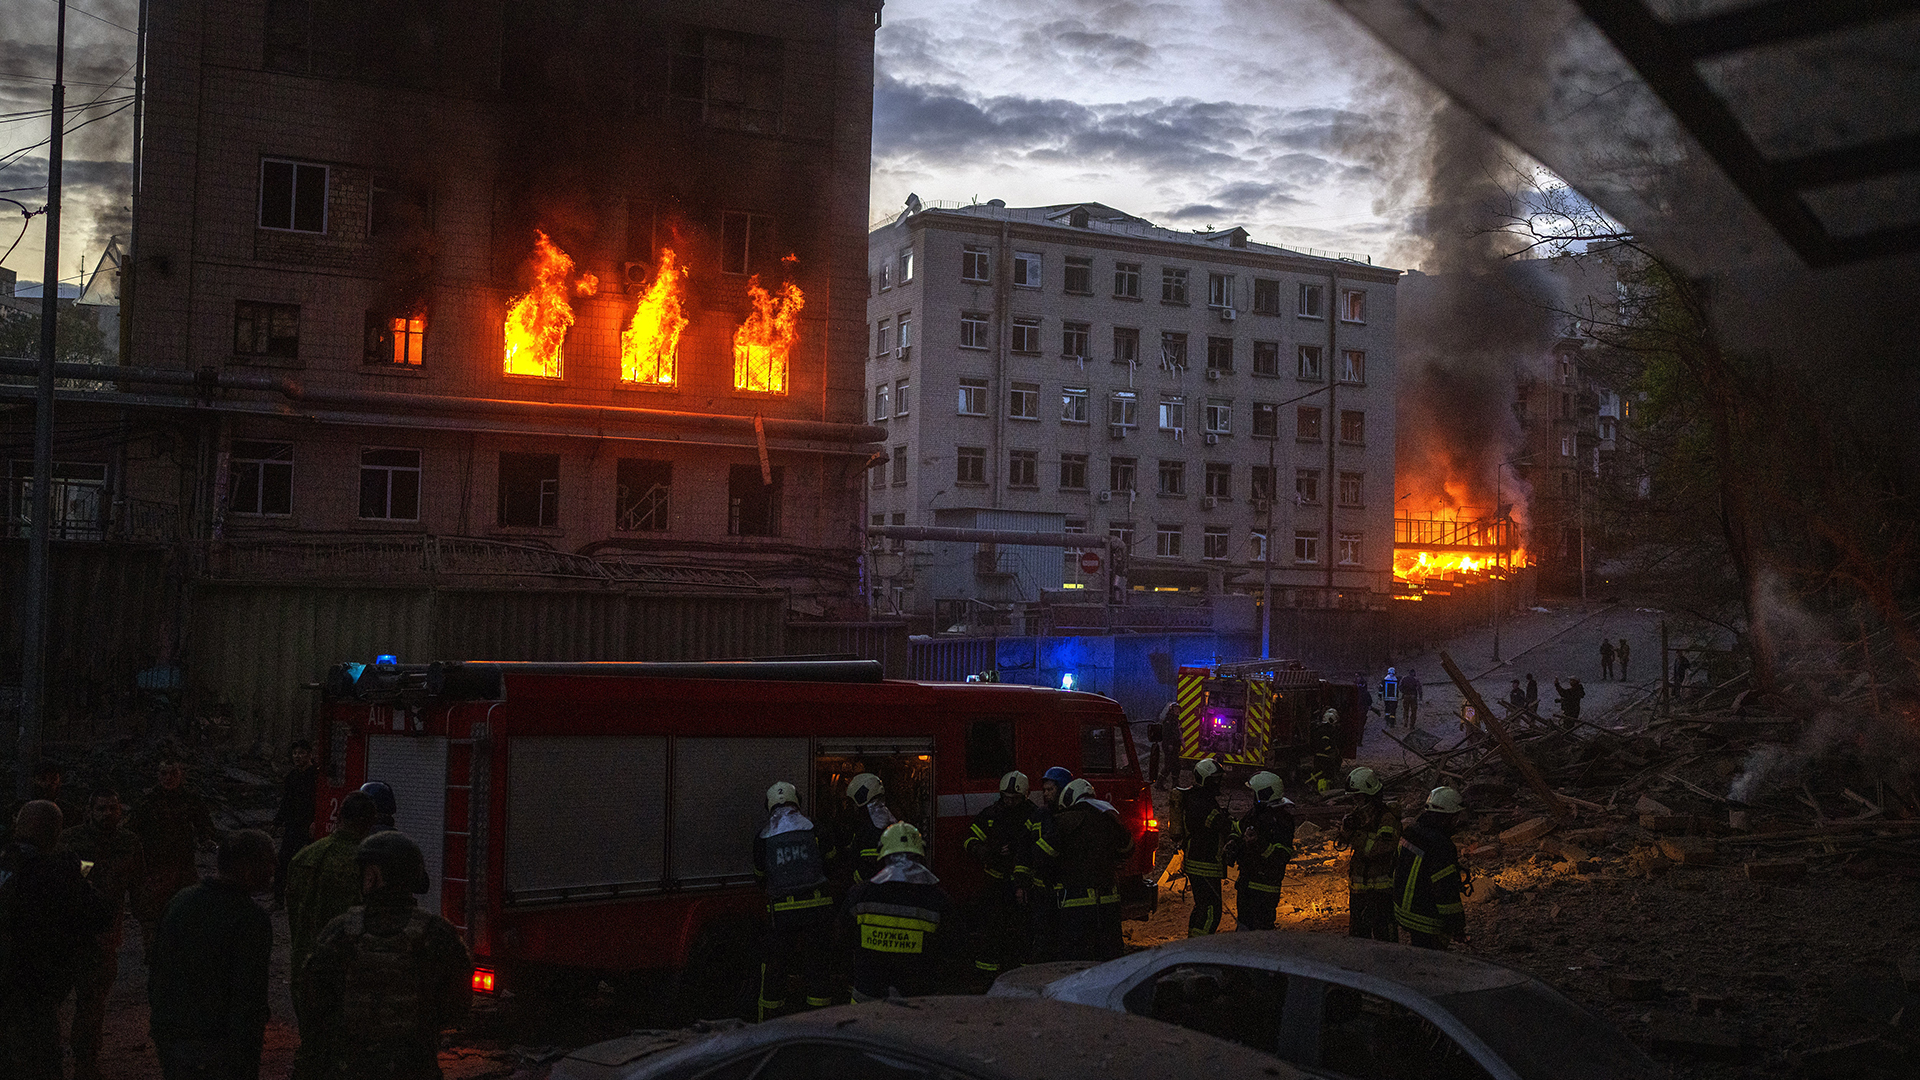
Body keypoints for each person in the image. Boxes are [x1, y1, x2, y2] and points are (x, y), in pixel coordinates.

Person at [297, 832, 472, 1079]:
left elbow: (312, 1001)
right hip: (415, 1067)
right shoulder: (438, 934)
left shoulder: (339, 931)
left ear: (373, 876)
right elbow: (458, 1006)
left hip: (351, 1068)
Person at [148, 829, 276, 1080]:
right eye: (269, 861)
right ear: (248, 867)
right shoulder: (250, 919)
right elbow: (248, 995)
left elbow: (157, 970)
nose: (273, 869)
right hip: (217, 1046)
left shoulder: (181, 900)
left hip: (173, 1036)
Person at [0, 801, 111, 1079]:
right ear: (55, 834)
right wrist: (77, 877)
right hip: (30, 990)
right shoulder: (55, 873)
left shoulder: (9, 863)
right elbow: (100, 914)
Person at [286, 790, 379, 1080]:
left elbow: (293, 915)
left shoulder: (304, 856)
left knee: (312, 1050)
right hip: (345, 978)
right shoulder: (365, 866)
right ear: (369, 823)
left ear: (340, 817)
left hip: (303, 970)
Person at [59, 788, 147, 1080]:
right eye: (101, 809)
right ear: (90, 811)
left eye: (113, 808)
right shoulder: (71, 840)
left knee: (93, 1001)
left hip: (105, 936)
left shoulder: (130, 843)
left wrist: (151, 925)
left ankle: (86, 1061)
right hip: (67, 934)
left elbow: (138, 888)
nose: (107, 814)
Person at [841, 822, 955, 1001]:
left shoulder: (859, 895)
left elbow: (843, 939)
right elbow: (953, 948)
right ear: (920, 856)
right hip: (918, 998)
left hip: (867, 995)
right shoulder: (938, 900)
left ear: (883, 855)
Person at [752, 782, 836, 1020]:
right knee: (817, 967)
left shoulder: (763, 836)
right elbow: (831, 861)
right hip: (817, 909)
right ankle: (821, 1026)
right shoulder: (814, 828)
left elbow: (760, 876)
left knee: (775, 969)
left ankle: (769, 1025)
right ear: (797, 800)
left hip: (781, 913)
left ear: (769, 805)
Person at [128, 758, 218, 959]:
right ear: (158, 776)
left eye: (173, 774)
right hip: (155, 865)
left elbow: (204, 823)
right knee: (153, 913)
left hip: (183, 864)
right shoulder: (147, 802)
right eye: (164, 774)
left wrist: (206, 839)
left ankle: (183, 950)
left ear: (181, 776)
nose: (168, 778)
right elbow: (132, 829)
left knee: (187, 908)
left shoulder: (190, 800)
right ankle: (153, 951)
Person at [963, 771, 1043, 977]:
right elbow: (969, 839)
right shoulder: (991, 814)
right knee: (991, 930)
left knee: (1024, 931)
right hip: (995, 884)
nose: (1009, 801)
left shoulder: (1034, 815)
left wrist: (1018, 850)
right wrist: (987, 851)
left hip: (1023, 885)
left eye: (1014, 798)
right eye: (1006, 797)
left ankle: (1023, 976)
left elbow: (1039, 847)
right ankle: (985, 976)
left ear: (1025, 795)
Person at [1045, 779, 1133, 959]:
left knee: (1077, 955)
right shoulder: (1109, 817)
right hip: (1109, 897)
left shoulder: (1063, 821)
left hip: (1075, 900)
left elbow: (1043, 856)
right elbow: (1128, 848)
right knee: (1110, 953)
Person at [1393, 787, 1469, 950]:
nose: (1457, 822)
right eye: (1455, 817)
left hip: (1402, 910)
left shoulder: (1411, 832)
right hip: (1425, 919)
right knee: (1431, 963)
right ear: (1447, 817)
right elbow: (1445, 891)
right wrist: (1456, 926)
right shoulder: (1441, 846)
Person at [1337, 768, 1401, 942]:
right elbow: (1343, 842)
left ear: (1371, 795)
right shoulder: (1360, 817)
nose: (1356, 803)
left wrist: (1354, 834)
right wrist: (1345, 829)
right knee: (1358, 938)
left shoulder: (1387, 818)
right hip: (1359, 890)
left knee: (1385, 938)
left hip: (1381, 892)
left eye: (1359, 798)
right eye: (1354, 798)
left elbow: (1378, 849)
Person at [1233, 772, 1295, 932]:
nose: (1252, 797)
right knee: (1244, 929)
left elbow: (1282, 855)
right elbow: (1239, 829)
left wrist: (1257, 844)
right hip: (1246, 884)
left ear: (1264, 793)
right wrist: (1234, 842)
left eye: (1255, 793)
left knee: (1261, 934)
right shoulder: (1255, 813)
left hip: (1265, 889)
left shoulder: (1282, 820)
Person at [1178, 758, 1230, 937]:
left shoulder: (1197, 797)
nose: (1218, 783)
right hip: (1204, 863)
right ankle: (1199, 947)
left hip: (1198, 861)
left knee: (1202, 906)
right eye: (1214, 780)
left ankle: (1192, 943)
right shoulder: (1202, 803)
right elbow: (1221, 825)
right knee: (1211, 911)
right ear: (1204, 780)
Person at [273, 740, 318, 909]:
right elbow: (286, 801)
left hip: (308, 826)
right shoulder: (292, 776)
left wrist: (316, 821)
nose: (297, 757)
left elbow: (318, 801)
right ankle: (278, 899)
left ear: (309, 754)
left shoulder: (315, 776)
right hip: (293, 825)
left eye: (301, 753)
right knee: (283, 861)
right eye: (295, 753)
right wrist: (277, 822)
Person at [842, 773, 898, 882]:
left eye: (851, 803)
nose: (849, 807)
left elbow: (868, 870)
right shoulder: (892, 823)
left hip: (869, 894)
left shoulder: (872, 830)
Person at [1307, 708, 1341, 794]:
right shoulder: (1327, 730)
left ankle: (1314, 786)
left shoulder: (1320, 729)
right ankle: (1320, 790)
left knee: (1319, 773)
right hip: (1324, 756)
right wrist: (1331, 751)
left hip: (1320, 756)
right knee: (1323, 773)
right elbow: (1325, 744)